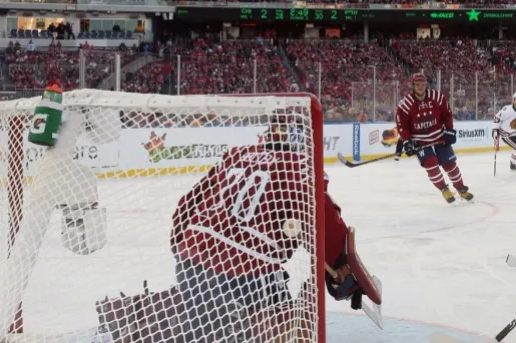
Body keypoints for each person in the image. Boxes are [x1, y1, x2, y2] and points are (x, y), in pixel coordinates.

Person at [170, 113, 381, 341]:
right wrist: (342, 269)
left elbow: (191, 200)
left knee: (205, 334)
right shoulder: (299, 166)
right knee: (285, 331)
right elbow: (323, 217)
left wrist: (178, 240)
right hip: (247, 271)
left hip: (190, 259)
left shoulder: (239, 154)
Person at [395, 72, 473, 203]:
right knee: (432, 167)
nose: (420, 87)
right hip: (420, 142)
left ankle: (461, 189)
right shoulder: (405, 104)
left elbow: (447, 114)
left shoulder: (436, 97)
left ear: (426, 85)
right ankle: (444, 189)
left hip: (439, 137)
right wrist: (407, 141)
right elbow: (402, 125)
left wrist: (449, 130)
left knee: (451, 166)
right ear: (413, 86)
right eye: (417, 85)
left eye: (422, 84)